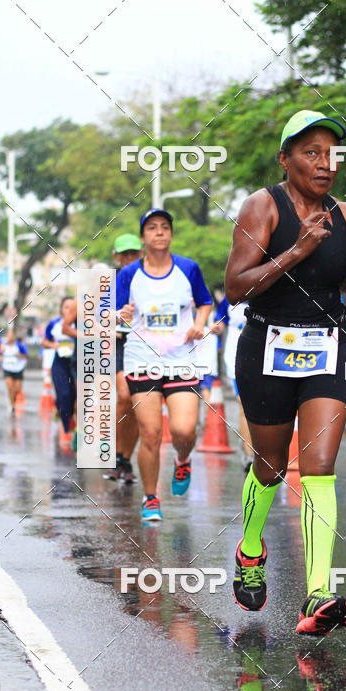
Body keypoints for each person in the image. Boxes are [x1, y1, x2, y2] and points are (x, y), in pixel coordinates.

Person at [225, 109, 346, 635]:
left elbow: (343, 286)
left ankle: (318, 592)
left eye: (331, 153)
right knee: (270, 462)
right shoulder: (261, 207)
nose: (324, 162)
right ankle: (249, 551)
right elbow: (237, 287)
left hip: (328, 345)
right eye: (311, 152)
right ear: (284, 158)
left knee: (320, 464)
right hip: (267, 344)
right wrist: (296, 250)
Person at [116, 208, 212, 522]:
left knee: (183, 430)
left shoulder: (188, 268)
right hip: (141, 360)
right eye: (153, 228)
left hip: (182, 359)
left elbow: (205, 302)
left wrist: (199, 323)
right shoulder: (129, 274)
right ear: (144, 237)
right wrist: (121, 315)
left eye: (165, 227)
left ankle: (183, 458)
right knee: (151, 433)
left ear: (171, 234)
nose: (159, 232)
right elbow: (112, 314)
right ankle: (151, 498)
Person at [104, 234, 142, 483]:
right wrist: (114, 321)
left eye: (133, 253)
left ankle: (126, 460)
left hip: (145, 345)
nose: (129, 258)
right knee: (125, 396)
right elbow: (97, 316)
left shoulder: (150, 277)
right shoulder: (109, 283)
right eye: (124, 254)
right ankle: (116, 455)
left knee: (139, 406)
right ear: (116, 256)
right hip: (119, 344)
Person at [214, 299, 254, 471]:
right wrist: (217, 327)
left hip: (265, 356)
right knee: (245, 405)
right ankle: (250, 456)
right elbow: (219, 322)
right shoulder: (231, 299)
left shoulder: (270, 293)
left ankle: (263, 450)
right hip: (236, 356)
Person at [43, 297, 77, 437]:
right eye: (66, 307)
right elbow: (45, 341)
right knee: (63, 394)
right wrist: (54, 345)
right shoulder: (54, 324)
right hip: (60, 362)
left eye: (71, 306)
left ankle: (75, 423)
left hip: (76, 361)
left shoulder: (79, 323)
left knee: (76, 395)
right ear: (61, 309)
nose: (69, 309)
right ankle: (66, 426)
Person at [0, 328, 28, 414]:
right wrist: (0, 358)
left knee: (17, 389)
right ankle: (11, 405)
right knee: (9, 386)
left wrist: (19, 355)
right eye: (8, 335)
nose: (9, 337)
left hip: (18, 369)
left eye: (11, 335)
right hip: (7, 368)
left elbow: (26, 356)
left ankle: (13, 400)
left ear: (14, 336)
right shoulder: (4, 346)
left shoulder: (20, 345)